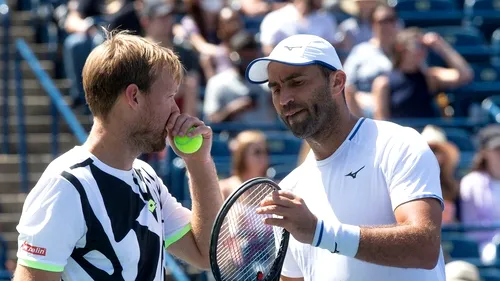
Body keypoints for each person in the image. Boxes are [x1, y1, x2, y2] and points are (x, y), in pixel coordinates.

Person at [13, 30, 223, 281]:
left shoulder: (146, 178)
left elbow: (207, 254)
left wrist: (199, 163)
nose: (176, 109)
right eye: (169, 96)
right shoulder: (65, 187)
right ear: (134, 96)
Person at [245, 34, 445, 280]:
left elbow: (424, 247)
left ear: (337, 83)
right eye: (275, 88)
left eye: (296, 82)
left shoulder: (398, 144)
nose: (284, 99)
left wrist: (319, 233)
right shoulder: (290, 191)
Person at [372, 27, 473, 119]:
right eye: (417, 45)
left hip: (428, 134)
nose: (422, 50)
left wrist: (440, 45)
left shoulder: (430, 77)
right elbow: (381, 120)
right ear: (400, 47)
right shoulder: (383, 83)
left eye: (424, 46)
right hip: (400, 134)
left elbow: (465, 75)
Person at [460, 124, 500, 252]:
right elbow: (470, 229)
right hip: (485, 251)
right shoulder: (470, 182)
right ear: (484, 152)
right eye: (497, 148)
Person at [421, 125, 460, 224]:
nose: (432, 155)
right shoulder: (411, 182)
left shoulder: (452, 186)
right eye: (429, 150)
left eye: (436, 151)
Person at [219, 130, 270, 199]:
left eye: (266, 151)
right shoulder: (224, 189)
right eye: (257, 152)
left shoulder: (273, 190)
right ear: (242, 156)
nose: (263, 157)